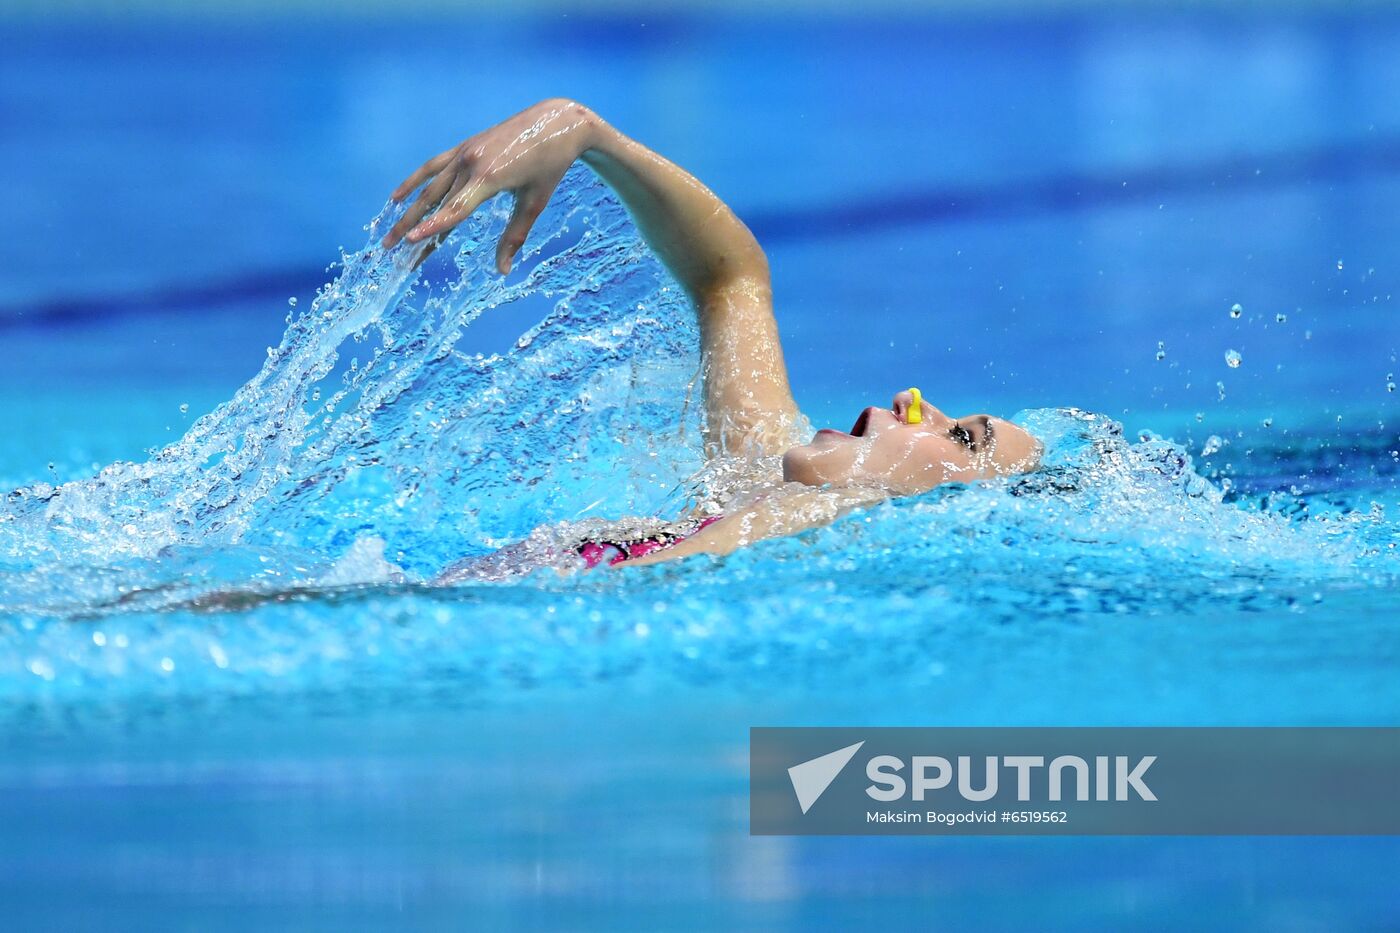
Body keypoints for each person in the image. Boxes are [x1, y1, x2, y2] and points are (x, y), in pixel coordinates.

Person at [384, 99, 1041, 572]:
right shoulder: (759, 488)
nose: (912, 398)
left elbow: (624, 587)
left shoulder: (828, 515)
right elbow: (729, 280)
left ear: (948, 514)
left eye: (962, 435)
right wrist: (582, 131)